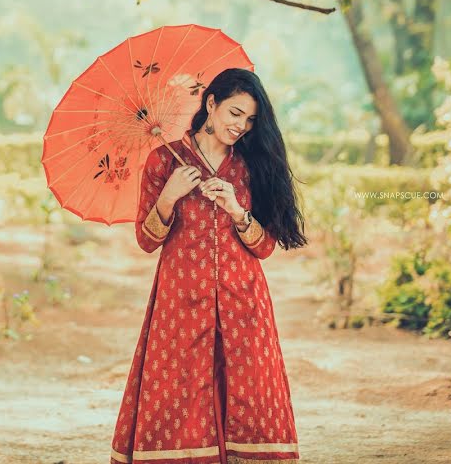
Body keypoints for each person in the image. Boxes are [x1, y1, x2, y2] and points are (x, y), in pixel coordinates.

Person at [110, 68, 307, 464]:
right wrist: (168, 197)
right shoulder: (163, 161)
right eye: (235, 114)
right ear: (211, 104)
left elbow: (265, 247)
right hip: (180, 302)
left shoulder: (251, 165)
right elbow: (147, 242)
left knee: (249, 393)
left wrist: (237, 210)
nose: (241, 126)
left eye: (250, 120)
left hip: (243, 300)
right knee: (179, 393)